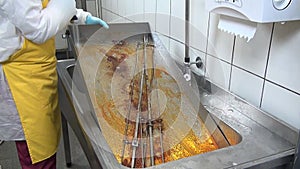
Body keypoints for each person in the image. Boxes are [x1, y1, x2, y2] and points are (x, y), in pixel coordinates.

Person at [0, 0, 109, 168]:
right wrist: (68, 5)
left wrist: (80, 16)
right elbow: (38, 29)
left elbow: (45, 6)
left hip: (38, 72)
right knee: (38, 155)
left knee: (46, 146)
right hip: (21, 79)